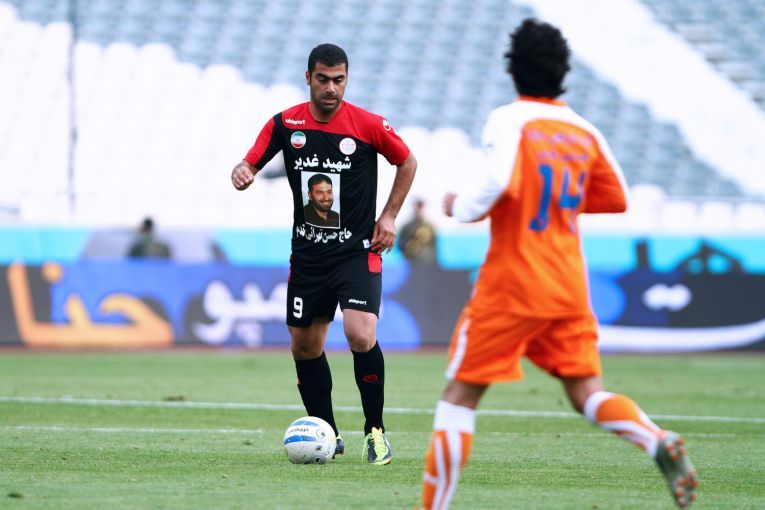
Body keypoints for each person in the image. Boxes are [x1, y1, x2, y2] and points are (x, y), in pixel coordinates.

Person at [420, 19, 698, 509]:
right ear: (563, 72)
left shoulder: (509, 119)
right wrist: (555, 201)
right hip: (567, 283)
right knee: (587, 393)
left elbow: (499, 180)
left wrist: (459, 206)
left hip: (513, 282)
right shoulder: (582, 129)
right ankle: (655, 439)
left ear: (513, 69)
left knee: (458, 401)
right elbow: (617, 197)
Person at [231, 43, 417, 465]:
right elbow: (251, 162)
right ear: (308, 78)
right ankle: (327, 434)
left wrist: (388, 216)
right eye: (323, 79)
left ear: (346, 80)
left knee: (360, 334)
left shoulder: (369, 125)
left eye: (339, 80)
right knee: (304, 347)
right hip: (308, 258)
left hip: (357, 253)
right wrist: (243, 171)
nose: (331, 88)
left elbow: (407, 162)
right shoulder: (285, 123)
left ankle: (375, 432)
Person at [397, 198, 437, 264]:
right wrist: (410, 248)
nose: (418, 209)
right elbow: (400, 245)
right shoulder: (406, 227)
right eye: (417, 206)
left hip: (426, 262)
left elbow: (434, 246)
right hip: (410, 262)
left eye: (420, 206)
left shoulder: (430, 227)